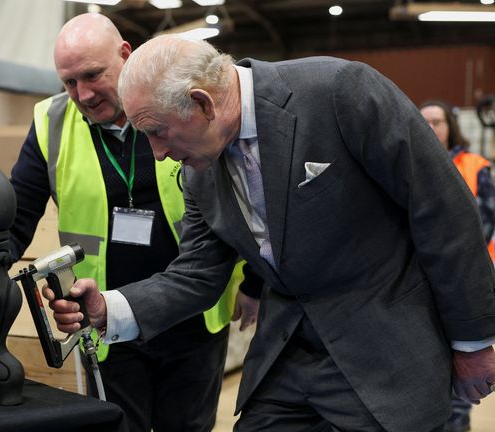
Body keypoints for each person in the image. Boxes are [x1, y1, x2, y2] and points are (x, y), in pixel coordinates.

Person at [48, 35, 495, 432]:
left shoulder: (340, 93)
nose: (158, 153)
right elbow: (197, 274)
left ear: (202, 103)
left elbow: (443, 212)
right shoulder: (201, 174)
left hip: (383, 352)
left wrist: (474, 343)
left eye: (158, 132)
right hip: (287, 360)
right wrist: (108, 306)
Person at [0, 15, 262, 432]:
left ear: (125, 55)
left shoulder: (174, 105)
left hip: (193, 316)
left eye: (93, 75)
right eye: (69, 82)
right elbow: (17, 215)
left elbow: (243, 199)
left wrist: (255, 283)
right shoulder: (51, 123)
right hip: (106, 319)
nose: (84, 94)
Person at [420, 100, 495, 432]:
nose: (432, 128)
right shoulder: (407, 166)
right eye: (425, 122)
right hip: (420, 288)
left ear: (450, 125)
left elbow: (486, 224)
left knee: (463, 369)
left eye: (438, 121)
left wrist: (448, 258)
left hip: (465, 285)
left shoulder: (474, 165)